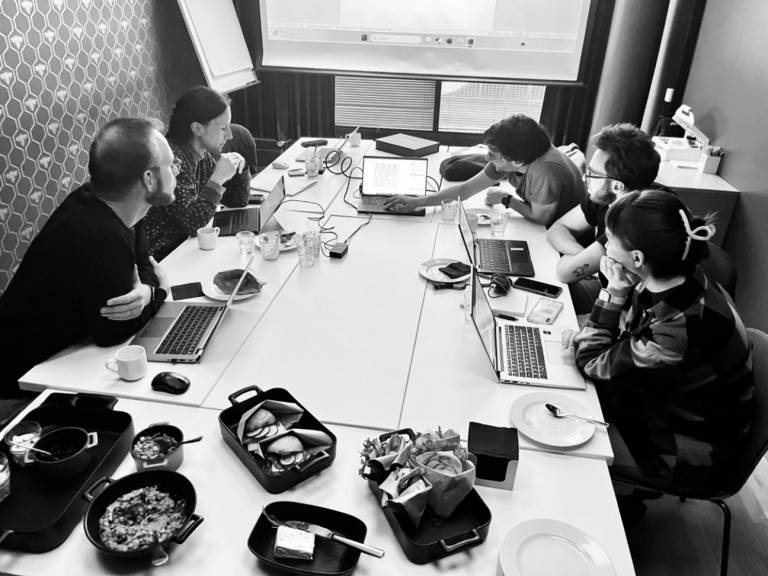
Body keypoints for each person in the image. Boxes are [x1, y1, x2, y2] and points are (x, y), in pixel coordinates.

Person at [565, 190, 754, 512]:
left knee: (565, 441)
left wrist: (612, 294)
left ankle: (625, 506)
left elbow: (593, 363)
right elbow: (622, 340)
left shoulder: (677, 329)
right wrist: (598, 335)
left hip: (691, 446)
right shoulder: (678, 275)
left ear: (637, 258)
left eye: (609, 239)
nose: (605, 247)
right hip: (674, 402)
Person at [0, 117, 176, 397]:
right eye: (170, 165)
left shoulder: (113, 203)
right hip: (23, 380)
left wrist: (144, 292)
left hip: (65, 355)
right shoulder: (99, 235)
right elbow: (112, 332)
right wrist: (158, 294)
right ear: (149, 179)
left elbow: (143, 264)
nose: (175, 171)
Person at [384, 114, 585, 227]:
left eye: (493, 155)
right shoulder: (518, 155)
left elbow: (541, 218)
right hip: (542, 226)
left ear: (517, 161)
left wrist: (506, 199)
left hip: (558, 234)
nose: (487, 158)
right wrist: (419, 201)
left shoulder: (545, 171)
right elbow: (465, 190)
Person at [546, 124, 661, 313]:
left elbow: (565, 273)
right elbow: (556, 229)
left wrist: (578, 261)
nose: (585, 178)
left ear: (617, 186)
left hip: (629, 314)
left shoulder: (633, 221)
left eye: (592, 173)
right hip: (609, 290)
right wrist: (582, 255)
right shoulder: (605, 196)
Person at [143, 86, 249, 260]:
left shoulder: (202, 155)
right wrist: (217, 179)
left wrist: (239, 169)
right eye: (223, 128)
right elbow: (191, 223)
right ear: (198, 129)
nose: (230, 136)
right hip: (163, 258)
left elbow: (236, 200)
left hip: (187, 248)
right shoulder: (171, 161)